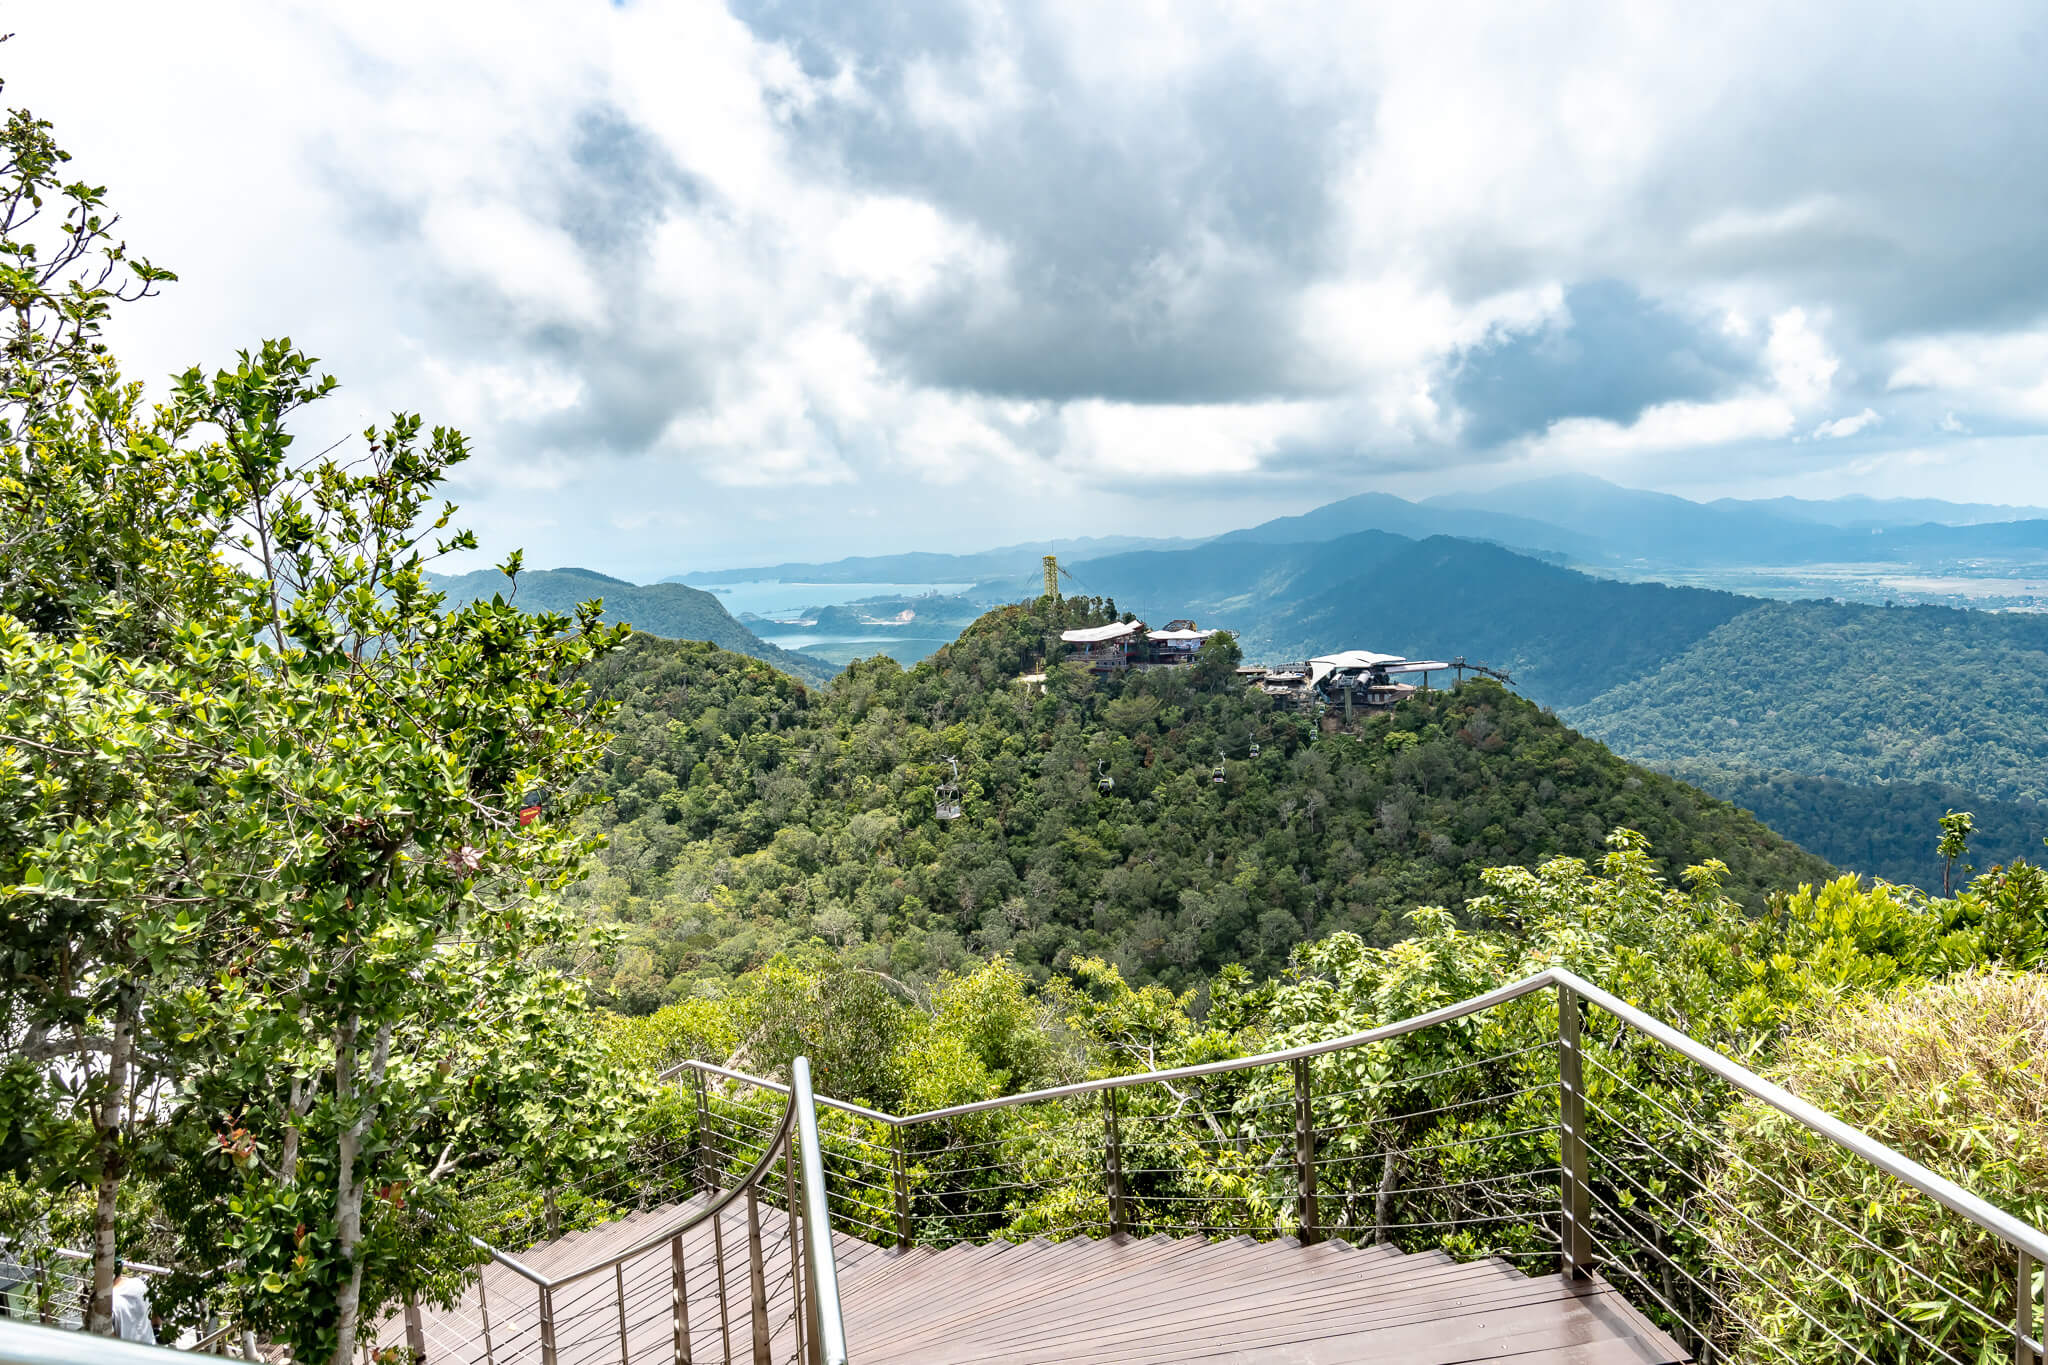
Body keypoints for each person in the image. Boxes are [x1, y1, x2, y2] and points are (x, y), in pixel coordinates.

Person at [109, 1258, 155, 1345]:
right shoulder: (141, 1284)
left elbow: (109, 1337)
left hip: (125, 1354)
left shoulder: (106, 1302)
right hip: (151, 1348)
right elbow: (156, 1319)